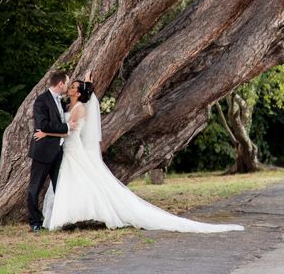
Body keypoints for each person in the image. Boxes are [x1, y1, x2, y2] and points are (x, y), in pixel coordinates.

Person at [33, 72, 244, 233]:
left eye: (73, 87)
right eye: (69, 85)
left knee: (82, 182)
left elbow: (70, 130)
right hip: (67, 150)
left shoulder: (79, 108)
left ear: (77, 92)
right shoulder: (67, 104)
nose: (69, 88)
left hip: (73, 148)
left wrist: (46, 133)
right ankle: (70, 217)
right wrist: (87, 83)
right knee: (74, 183)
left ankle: (82, 216)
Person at [27, 70, 75, 232]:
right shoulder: (41, 101)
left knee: (60, 187)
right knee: (35, 188)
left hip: (59, 151)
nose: (68, 86)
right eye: (67, 83)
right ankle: (35, 222)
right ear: (60, 84)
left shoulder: (60, 101)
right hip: (43, 151)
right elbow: (44, 125)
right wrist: (67, 127)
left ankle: (64, 220)